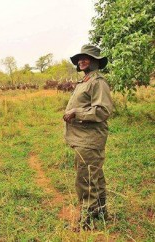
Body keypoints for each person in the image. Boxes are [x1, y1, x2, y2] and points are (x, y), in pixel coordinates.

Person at [63, 44, 113, 230]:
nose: (82, 60)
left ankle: (86, 221)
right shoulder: (86, 81)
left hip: (89, 140)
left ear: (95, 62)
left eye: (87, 58)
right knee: (95, 176)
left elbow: (102, 110)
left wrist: (76, 112)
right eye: (80, 58)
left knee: (85, 180)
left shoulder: (98, 82)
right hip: (83, 138)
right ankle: (100, 213)